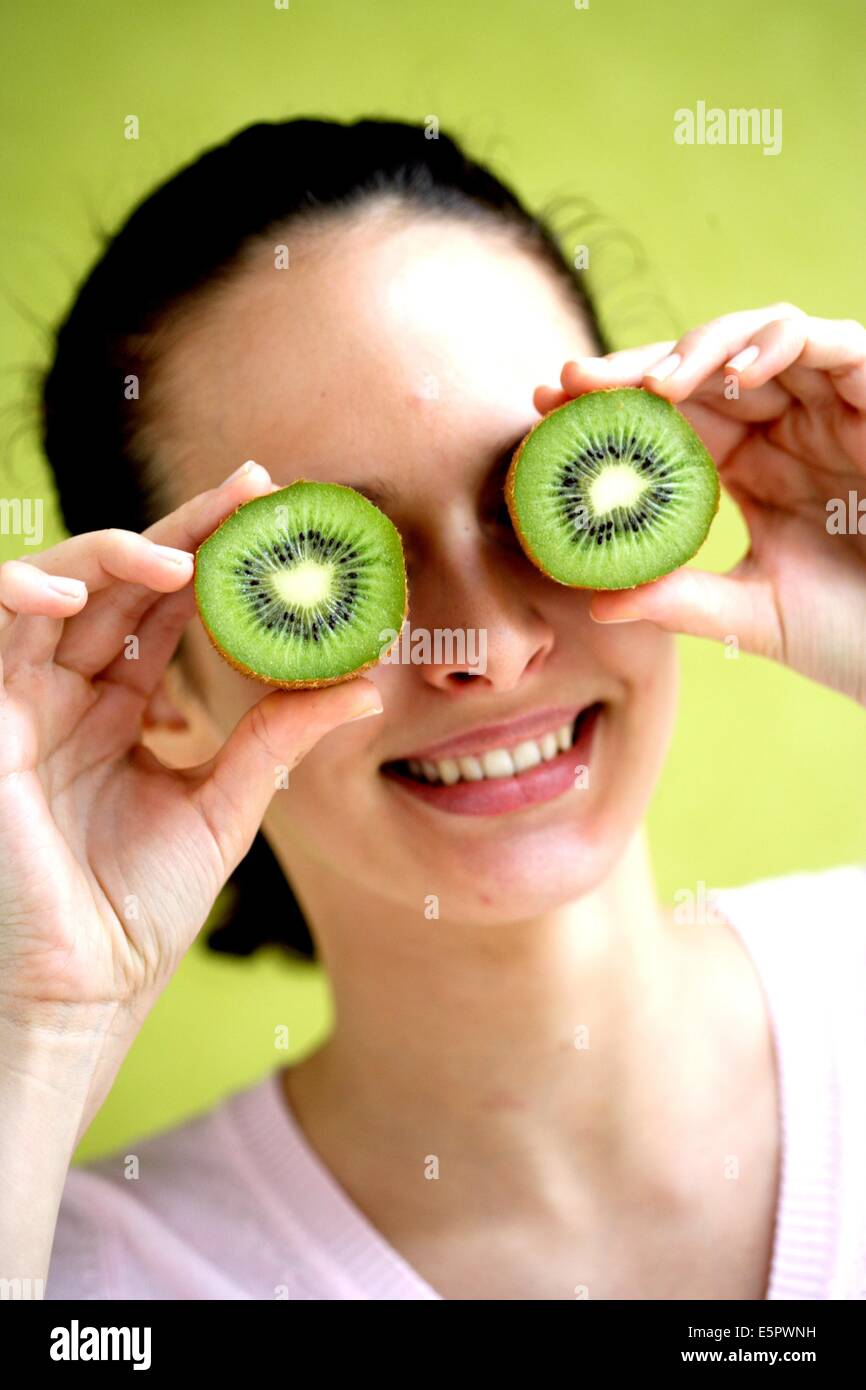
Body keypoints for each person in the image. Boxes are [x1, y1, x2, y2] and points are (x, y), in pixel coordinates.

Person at [1, 117, 864, 1302]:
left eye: (534, 501)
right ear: (153, 689)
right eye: (339, 566)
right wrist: (35, 1028)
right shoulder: (84, 1275)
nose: (492, 647)